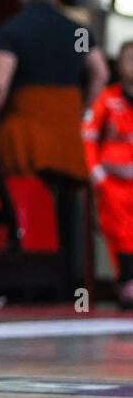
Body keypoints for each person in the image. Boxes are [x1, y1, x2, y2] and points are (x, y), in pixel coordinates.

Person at [0, 0, 106, 180]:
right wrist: (83, 108)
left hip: (26, 141)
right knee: (68, 205)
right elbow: (100, 73)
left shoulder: (12, 31)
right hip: (68, 137)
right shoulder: (78, 32)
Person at [83, 41, 133, 308]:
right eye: (129, 60)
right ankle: (126, 283)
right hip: (114, 182)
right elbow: (88, 134)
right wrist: (96, 171)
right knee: (120, 233)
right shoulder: (107, 99)